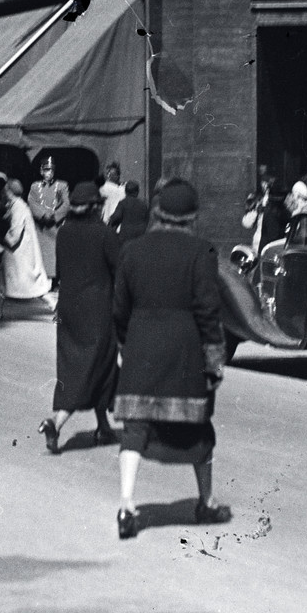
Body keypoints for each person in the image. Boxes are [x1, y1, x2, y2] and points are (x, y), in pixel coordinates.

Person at [111, 179, 232, 539]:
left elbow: (119, 309)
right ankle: (206, 503)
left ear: (159, 211)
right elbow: (208, 311)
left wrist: (124, 346)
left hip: (141, 347)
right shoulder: (202, 251)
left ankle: (126, 503)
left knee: (135, 428)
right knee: (199, 428)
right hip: (185, 348)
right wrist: (215, 360)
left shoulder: (132, 251)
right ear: (192, 215)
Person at [38, 182, 121, 453]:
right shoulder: (105, 234)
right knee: (94, 367)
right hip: (97, 310)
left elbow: (61, 271)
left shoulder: (64, 233)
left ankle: (104, 426)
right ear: (96, 207)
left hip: (69, 308)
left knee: (81, 366)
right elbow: (120, 271)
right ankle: (56, 422)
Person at [0, 178, 52, 320]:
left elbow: (14, 234)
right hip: (16, 252)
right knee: (3, 281)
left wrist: (1, 237)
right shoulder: (16, 205)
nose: (3, 192)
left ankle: (55, 306)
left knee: (33, 285)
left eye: (5, 190)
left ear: (10, 191)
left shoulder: (18, 208)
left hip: (19, 252)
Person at [28, 154, 70, 284]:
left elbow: (66, 203)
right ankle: (40, 281)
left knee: (53, 255)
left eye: (51, 170)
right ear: (41, 171)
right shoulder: (35, 186)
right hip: (40, 226)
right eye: (46, 170)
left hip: (54, 227)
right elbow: (31, 202)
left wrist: (55, 216)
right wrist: (42, 215)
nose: (49, 173)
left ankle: (52, 280)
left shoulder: (62, 185)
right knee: (39, 253)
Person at [111, 180, 150, 245]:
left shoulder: (123, 203)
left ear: (125, 192)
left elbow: (117, 217)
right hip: (141, 235)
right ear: (137, 192)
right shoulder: (143, 204)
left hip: (126, 236)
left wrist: (111, 220)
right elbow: (147, 220)